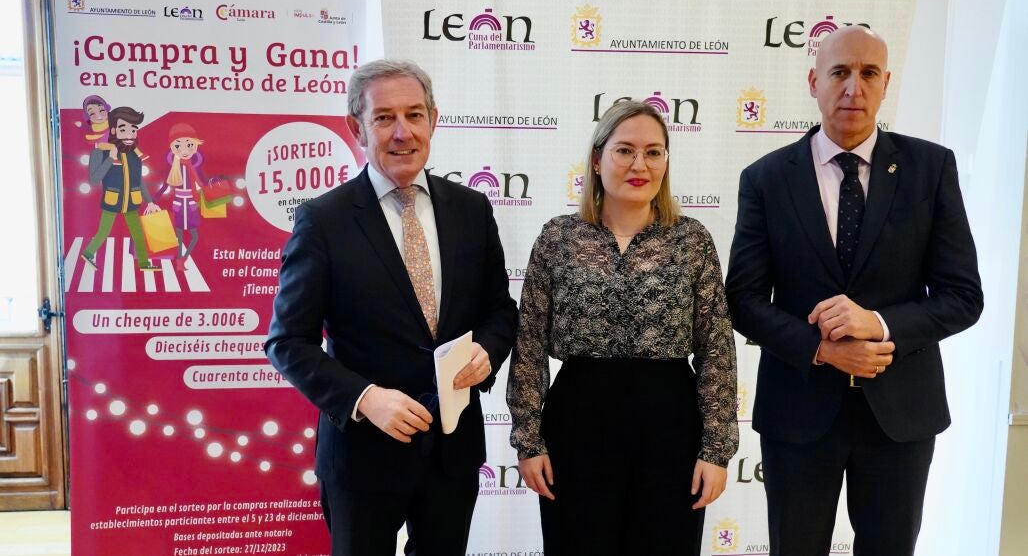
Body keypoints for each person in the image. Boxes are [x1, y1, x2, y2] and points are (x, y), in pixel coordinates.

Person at [725, 26, 983, 556]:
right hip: (797, 412)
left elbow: (963, 296)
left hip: (901, 414)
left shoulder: (931, 168)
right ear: (813, 81)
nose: (853, 88)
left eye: (868, 74)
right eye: (839, 72)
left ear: (886, 83)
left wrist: (879, 324)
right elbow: (743, 300)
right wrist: (821, 349)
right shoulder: (765, 179)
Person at [265, 59, 517, 556]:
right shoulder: (323, 220)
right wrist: (364, 398)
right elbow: (288, 342)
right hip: (362, 455)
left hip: (452, 450)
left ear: (433, 120)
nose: (403, 132)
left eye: (414, 115)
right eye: (384, 118)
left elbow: (500, 310)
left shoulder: (472, 209)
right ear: (356, 127)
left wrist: (488, 351)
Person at [507, 100, 738, 555]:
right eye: (625, 150)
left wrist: (716, 450)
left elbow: (716, 346)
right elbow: (529, 341)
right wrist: (528, 441)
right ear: (597, 159)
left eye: (653, 152)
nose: (640, 165)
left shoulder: (691, 239)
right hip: (578, 424)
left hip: (670, 426)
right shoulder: (558, 237)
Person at [80, 106, 161, 271]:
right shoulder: (99, 152)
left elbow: (139, 180)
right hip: (112, 201)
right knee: (103, 232)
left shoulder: (135, 156)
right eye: (124, 129)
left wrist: (150, 202)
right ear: (114, 130)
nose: (130, 134)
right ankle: (88, 253)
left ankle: (144, 263)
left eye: (133, 129)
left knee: (138, 233)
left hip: (131, 202)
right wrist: (110, 158)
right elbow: (94, 180)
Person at [154, 123, 211, 271]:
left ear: (195, 147)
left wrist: (215, 182)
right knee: (179, 237)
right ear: (172, 149)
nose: (185, 151)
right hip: (179, 204)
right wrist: (152, 200)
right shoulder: (174, 168)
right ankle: (179, 262)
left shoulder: (195, 167)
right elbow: (165, 185)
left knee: (194, 236)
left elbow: (204, 182)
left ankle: (183, 258)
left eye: (189, 145)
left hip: (191, 205)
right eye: (178, 146)